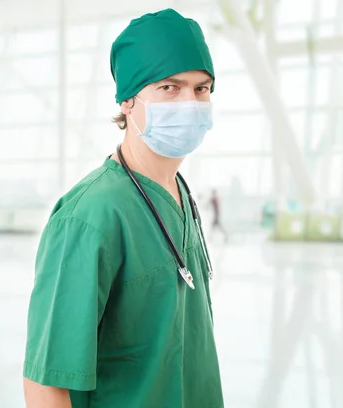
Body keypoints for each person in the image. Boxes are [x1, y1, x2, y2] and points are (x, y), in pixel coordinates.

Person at [23, 8, 223, 408]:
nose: (189, 102)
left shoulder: (181, 195)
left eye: (201, 89)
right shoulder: (89, 217)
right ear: (128, 100)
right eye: (169, 87)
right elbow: (45, 386)